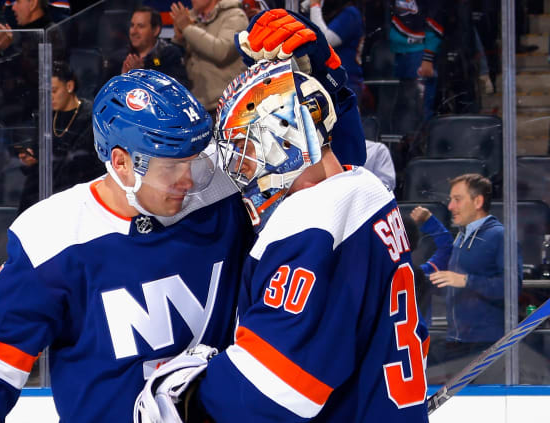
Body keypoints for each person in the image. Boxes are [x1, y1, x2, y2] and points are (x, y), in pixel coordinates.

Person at [0, 69, 254, 422]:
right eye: (170, 167)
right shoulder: (52, 237)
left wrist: (325, 71)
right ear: (120, 162)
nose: (187, 180)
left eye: (193, 161)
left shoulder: (224, 196)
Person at [136, 58, 429, 422]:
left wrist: (192, 398)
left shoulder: (314, 217)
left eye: (246, 144)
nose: (240, 166)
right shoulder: (368, 191)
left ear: (289, 130)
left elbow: (280, 387)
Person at [426, 173, 522, 383]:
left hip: (486, 345)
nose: (450, 206)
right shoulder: (461, 236)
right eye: (451, 200)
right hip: (458, 342)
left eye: (457, 199)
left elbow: (512, 287)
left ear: (478, 201)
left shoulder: (499, 236)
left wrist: (466, 281)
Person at [14, 61, 105, 213]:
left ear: (69, 86)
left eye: (54, 91)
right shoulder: (45, 117)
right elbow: (37, 156)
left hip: (77, 193)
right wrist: (30, 160)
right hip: (44, 189)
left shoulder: (91, 117)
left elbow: (90, 164)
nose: (49, 97)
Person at [170, 0, 249, 114]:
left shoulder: (235, 16)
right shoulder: (190, 19)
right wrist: (179, 40)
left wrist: (187, 28)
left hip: (228, 105)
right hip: (197, 106)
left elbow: (222, 52)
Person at [388, 0, 445, 126]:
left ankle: (421, 142)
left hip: (419, 53)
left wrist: (428, 58)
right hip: (394, 52)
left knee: (419, 109)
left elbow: (435, 19)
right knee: (401, 108)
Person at [307, 0, 365, 98]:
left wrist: (314, 6)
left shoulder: (350, 14)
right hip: (333, 80)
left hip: (345, 82)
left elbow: (326, 40)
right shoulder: (337, 12)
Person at [121, 6, 189, 88]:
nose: (134, 31)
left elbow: (174, 90)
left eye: (141, 26)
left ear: (156, 30)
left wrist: (140, 75)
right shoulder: (121, 56)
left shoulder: (170, 55)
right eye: (132, 25)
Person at [407, 205, 453, 326]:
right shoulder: (423, 275)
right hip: (421, 341)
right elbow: (446, 248)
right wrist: (429, 220)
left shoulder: (375, 280)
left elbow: (447, 249)